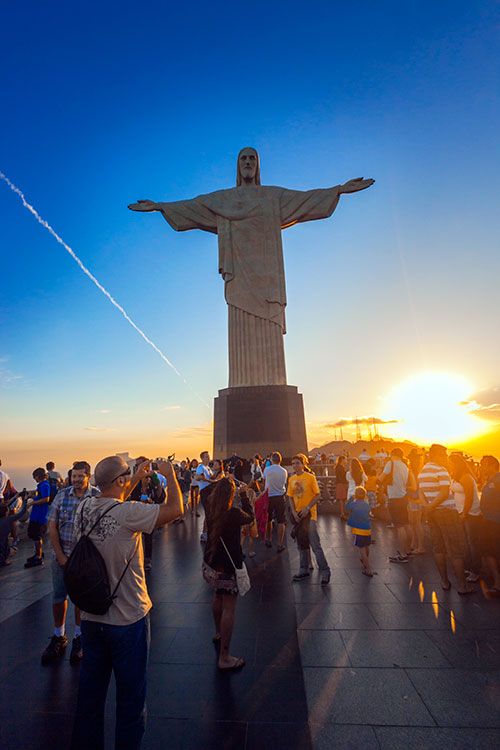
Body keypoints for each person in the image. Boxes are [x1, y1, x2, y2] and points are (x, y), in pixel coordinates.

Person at [70, 455, 182, 750]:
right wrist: (169, 475)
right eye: (127, 475)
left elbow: (113, 499)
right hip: (127, 620)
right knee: (131, 702)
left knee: (90, 698)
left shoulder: (83, 508)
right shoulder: (128, 513)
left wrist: (131, 478)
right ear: (121, 481)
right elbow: (175, 509)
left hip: (91, 619)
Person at [43, 461, 100, 666]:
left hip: (84, 560)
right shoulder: (62, 495)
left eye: (80, 476)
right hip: (62, 555)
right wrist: (60, 556)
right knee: (59, 596)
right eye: (73, 476)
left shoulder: (96, 497)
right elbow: (52, 525)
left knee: (80, 600)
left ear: (88, 476)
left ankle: (79, 636)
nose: (76, 480)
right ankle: (59, 635)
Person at [202, 477, 253, 671]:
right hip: (228, 566)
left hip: (212, 563)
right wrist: (243, 494)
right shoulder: (233, 514)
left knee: (217, 596)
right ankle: (224, 657)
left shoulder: (210, 508)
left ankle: (217, 632)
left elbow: (207, 493)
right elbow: (250, 516)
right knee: (229, 608)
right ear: (231, 494)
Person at [418, 444, 473, 594]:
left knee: (438, 548)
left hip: (433, 513)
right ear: (436, 455)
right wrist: (431, 506)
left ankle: (444, 582)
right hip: (447, 512)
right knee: (456, 549)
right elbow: (443, 493)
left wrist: (427, 506)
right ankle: (462, 586)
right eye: (444, 455)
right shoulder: (441, 470)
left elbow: (420, 492)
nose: (446, 458)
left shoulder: (423, 471)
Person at [287, 454, 331, 585]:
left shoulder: (310, 477)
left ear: (303, 464)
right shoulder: (291, 479)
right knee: (301, 545)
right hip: (298, 517)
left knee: (315, 544)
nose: (295, 465)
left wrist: (308, 507)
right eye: (293, 463)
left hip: (310, 515)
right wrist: (294, 511)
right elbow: (290, 496)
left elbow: (318, 495)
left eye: (298, 463)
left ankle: (325, 571)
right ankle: (303, 569)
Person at [449, 453, 481, 582]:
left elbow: (470, 497)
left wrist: (464, 513)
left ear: (457, 464)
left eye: (451, 462)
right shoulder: (456, 476)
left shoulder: (466, 477)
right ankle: (469, 567)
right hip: (460, 512)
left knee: (472, 543)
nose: (449, 464)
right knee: (465, 543)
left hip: (470, 514)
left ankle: (476, 571)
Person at [384, 448, 412, 564]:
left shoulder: (390, 463)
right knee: (406, 524)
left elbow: (381, 478)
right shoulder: (405, 466)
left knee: (399, 526)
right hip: (403, 497)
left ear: (393, 454)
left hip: (394, 497)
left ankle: (403, 554)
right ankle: (409, 550)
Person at [479, 455, 500, 593]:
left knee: (493, 552)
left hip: (495, 522)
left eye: (484, 464)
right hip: (487, 521)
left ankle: (498, 584)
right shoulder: (489, 480)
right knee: (488, 552)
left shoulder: (497, 480)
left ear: (492, 465)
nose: (481, 467)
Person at [24, 467, 51, 568]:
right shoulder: (41, 485)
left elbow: (46, 499)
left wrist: (32, 503)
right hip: (37, 515)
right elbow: (39, 496)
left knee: (37, 536)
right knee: (34, 535)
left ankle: (38, 557)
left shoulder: (44, 485)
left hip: (40, 516)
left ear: (37, 476)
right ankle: (37, 554)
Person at [263, 451, 288, 552]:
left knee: (268, 519)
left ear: (272, 460)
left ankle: (269, 539)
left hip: (269, 497)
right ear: (280, 460)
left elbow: (264, 482)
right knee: (281, 521)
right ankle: (280, 544)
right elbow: (284, 484)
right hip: (280, 497)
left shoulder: (267, 469)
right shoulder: (284, 471)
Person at [346, 486, 374, 576]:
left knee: (361, 549)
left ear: (356, 495)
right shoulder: (366, 505)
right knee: (367, 547)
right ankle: (365, 559)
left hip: (359, 531)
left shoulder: (354, 504)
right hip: (367, 530)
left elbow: (346, 507)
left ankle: (368, 569)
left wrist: (351, 498)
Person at [0, 492, 28, 567]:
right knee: (13, 549)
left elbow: (5, 506)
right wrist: (25, 500)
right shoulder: (8, 519)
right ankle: (3, 561)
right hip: (2, 545)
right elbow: (22, 512)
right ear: (6, 512)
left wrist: (16, 496)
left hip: (3, 542)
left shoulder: (3, 518)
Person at [407, 449, 425, 554]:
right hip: (416, 499)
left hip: (414, 499)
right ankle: (414, 543)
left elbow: (413, 487)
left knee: (416, 523)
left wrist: (404, 486)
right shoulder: (420, 470)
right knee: (414, 522)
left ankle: (421, 547)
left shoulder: (412, 471)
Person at [196, 451, 214, 542]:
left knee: (209, 513)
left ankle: (206, 533)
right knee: (208, 513)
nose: (208, 458)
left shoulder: (208, 468)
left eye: (208, 456)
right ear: (202, 458)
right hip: (205, 492)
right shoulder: (201, 467)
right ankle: (204, 534)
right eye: (206, 457)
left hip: (210, 491)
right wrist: (210, 481)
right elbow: (198, 477)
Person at [334, 456, 349, 520]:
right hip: (341, 484)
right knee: (342, 499)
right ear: (342, 460)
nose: (346, 461)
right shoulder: (340, 467)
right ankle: (342, 514)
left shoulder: (338, 467)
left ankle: (342, 513)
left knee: (342, 500)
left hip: (339, 484)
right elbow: (343, 476)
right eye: (345, 459)